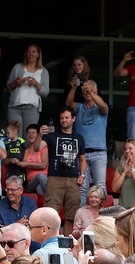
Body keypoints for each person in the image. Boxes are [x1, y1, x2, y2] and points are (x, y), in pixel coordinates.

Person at [39, 107, 87, 236]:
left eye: (66, 117)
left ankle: (67, 242)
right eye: (61, 118)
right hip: (55, 178)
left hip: (73, 180)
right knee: (50, 214)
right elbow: (38, 147)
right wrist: (40, 135)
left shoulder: (79, 138)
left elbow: (83, 159)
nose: (63, 120)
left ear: (73, 119)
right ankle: (51, 242)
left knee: (72, 215)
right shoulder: (51, 136)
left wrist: (82, 175)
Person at [67, 79, 108, 206]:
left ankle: (100, 214)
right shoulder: (79, 107)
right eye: (85, 90)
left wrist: (91, 93)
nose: (87, 92)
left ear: (96, 91)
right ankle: (82, 215)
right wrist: (74, 88)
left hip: (99, 153)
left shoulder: (100, 107)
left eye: (90, 89)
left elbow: (102, 105)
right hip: (82, 154)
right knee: (82, 187)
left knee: (100, 186)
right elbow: (68, 104)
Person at [6, 43, 49, 132]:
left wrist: (36, 84)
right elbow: (8, 87)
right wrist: (16, 82)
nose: (31, 54)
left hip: (32, 109)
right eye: (29, 52)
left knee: (29, 137)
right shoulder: (17, 67)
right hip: (15, 108)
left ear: (38, 54)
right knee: (15, 136)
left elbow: (45, 92)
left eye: (33, 52)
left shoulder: (43, 71)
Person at [22, 123, 48, 197]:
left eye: (33, 133)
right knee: (40, 176)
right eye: (29, 133)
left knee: (39, 188)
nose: (31, 135)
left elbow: (43, 165)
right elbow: (23, 165)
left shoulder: (43, 148)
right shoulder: (26, 149)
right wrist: (36, 165)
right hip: (31, 183)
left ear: (38, 135)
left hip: (43, 181)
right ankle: (52, 196)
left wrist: (28, 164)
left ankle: (48, 202)